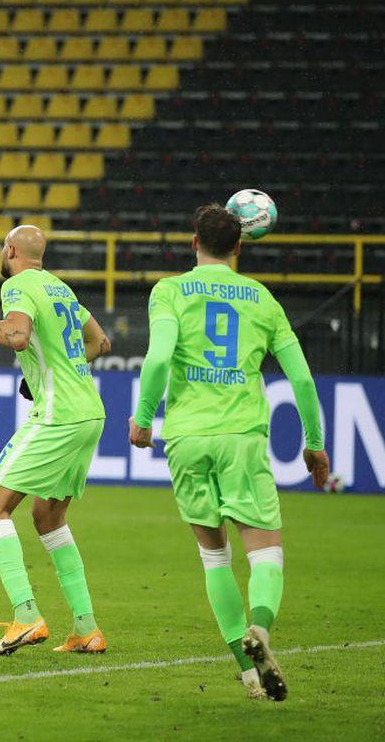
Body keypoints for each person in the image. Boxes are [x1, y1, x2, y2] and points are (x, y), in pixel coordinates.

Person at [129, 203, 330, 701]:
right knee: (266, 553)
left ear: (193, 242)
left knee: (213, 558)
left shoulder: (169, 291)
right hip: (241, 436)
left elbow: (157, 358)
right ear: (240, 247)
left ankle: (247, 673)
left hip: (187, 436)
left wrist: (144, 415)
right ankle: (259, 631)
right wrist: (315, 444)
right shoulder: (262, 299)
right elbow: (301, 378)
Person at [0, 225, 111, 657]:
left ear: (12, 250)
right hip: (89, 412)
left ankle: (26, 617)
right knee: (48, 519)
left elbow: (16, 336)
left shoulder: (17, 286)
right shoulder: (60, 288)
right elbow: (99, 342)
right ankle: (86, 628)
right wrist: (45, 373)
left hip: (58, 416)